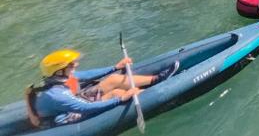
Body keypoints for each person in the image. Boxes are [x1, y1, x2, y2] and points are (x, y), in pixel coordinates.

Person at [26, 49, 179, 128]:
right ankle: (158, 94)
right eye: (71, 65)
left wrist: (115, 67)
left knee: (113, 79)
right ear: (59, 71)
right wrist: (121, 99)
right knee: (117, 93)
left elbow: (87, 74)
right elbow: (86, 108)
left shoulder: (61, 78)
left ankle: (158, 79)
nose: (75, 65)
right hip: (67, 116)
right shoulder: (56, 95)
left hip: (74, 101)